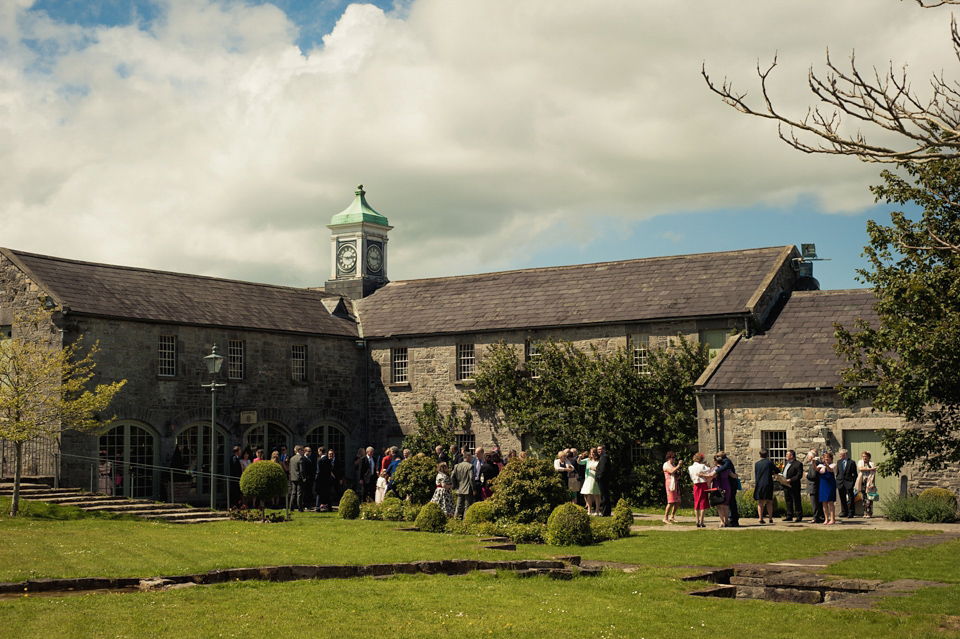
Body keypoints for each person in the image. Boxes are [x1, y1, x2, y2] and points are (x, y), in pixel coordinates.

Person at [753, 448, 778, 524]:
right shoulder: (769, 463)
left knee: (760, 501)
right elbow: (777, 470)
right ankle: (770, 518)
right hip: (768, 483)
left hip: (759, 483)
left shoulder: (757, 464)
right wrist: (772, 472)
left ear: (760, 455)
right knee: (769, 501)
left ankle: (760, 518)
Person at [688, 452, 713, 528]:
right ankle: (701, 521)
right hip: (703, 484)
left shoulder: (690, 467)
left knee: (696, 502)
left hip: (695, 484)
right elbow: (709, 470)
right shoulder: (702, 466)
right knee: (703, 502)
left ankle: (697, 520)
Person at [780, 449, 804, 522]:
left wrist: (791, 480)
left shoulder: (798, 464)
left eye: (787, 454)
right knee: (788, 500)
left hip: (794, 485)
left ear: (792, 456)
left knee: (796, 500)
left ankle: (799, 515)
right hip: (786, 485)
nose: (786, 456)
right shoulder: (786, 463)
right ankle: (789, 515)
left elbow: (799, 475)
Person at [717, 452, 740, 527]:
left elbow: (724, 468)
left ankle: (734, 520)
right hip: (729, 484)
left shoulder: (727, 461)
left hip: (731, 485)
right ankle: (732, 519)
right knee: (730, 502)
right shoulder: (726, 461)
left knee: (731, 502)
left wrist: (716, 471)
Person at [451, 451, 475, 519]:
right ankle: (466, 522)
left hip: (459, 488)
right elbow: (471, 478)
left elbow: (452, 477)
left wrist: (455, 485)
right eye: (471, 457)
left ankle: (455, 521)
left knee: (459, 506)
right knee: (467, 507)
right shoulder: (470, 466)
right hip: (468, 489)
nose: (472, 458)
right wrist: (474, 489)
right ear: (467, 457)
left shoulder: (457, 466)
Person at [578, 448, 601, 516]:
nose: (592, 454)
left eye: (593, 453)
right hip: (589, 478)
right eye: (591, 453)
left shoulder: (599, 460)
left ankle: (597, 510)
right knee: (588, 494)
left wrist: (595, 469)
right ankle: (589, 510)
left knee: (597, 494)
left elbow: (601, 468)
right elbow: (579, 462)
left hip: (596, 478)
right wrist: (579, 457)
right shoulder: (588, 460)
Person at [805, 449, 825, 524]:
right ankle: (820, 516)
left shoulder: (815, 463)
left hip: (814, 486)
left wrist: (807, 475)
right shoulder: (814, 463)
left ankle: (816, 517)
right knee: (817, 503)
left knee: (815, 503)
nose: (807, 457)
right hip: (815, 486)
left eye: (808, 456)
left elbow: (813, 476)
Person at [836, 448, 858, 518]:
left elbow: (855, 474)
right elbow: (838, 472)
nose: (840, 456)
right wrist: (838, 479)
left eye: (841, 454)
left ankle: (851, 512)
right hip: (840, 482)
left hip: (849, 482)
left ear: (845, 455)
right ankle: (844, 511)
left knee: (850, 497)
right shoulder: (839, 462)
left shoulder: (851, 462)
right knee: (842, 497)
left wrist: (853, 482)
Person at [818, 451, 838, 525]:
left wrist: (825, 464)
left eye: (828, 457)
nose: (826, 458)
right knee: (824, 502)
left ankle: (832, 519)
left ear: (831, 458)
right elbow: (816, 469)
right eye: (825, 457)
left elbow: (830, 469)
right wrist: (813, 462)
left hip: (830, 485)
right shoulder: (821, 466)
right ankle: (826, 519)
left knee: (830, 502)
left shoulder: (833, 465)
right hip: (823, 484)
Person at [662, 451, 682, 524]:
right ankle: (665, 517)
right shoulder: (666, 465)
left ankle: (672, 516)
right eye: (672, 458)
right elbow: (671, 471)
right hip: (670, 484)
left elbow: (675, 472)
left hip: (675, 484)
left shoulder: (673, 465)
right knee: (670, 502)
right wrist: (678, 466)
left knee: (677, 501)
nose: (674, 459)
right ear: (669, 458)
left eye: (674, 458)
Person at [856, 450, 877, 518]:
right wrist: (870, 469)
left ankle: (869, 513)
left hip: (869, 482)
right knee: (863, 497)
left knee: (869, 497)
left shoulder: (872, 464)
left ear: (869, 457)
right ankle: (865, 512)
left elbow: (873, 473)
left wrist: (872, 483)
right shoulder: (860, 462)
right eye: (863, 456)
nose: (864, 458)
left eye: (866, 456)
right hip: (862, 481)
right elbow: (860, 469)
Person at [712, 453, 731, 527]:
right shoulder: (727, 469)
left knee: (720, 505)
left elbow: (713, 476)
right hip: (727, 486)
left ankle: (722, 521)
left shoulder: (716, 469)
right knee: (725, 505)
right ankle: (726, 521)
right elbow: (733, 475)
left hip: (718, 486)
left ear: (716, 462)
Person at [288, 445, 306, 511]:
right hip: (299, 478)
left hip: (293, 477)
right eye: (302, 450)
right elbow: (301, 470)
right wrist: (304, 477)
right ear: (299, 450)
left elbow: (290, 469)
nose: (303, 452)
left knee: (293, 493)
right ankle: (300, 508)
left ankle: (291, 507)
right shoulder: (300, 458)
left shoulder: (292, 458)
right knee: (299, 493)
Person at [595, 445, 611, 516]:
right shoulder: (602, 457)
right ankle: (606, 511)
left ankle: (605, 512)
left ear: (604, 449)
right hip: (602, 478)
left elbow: (603, 468)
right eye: (598, 449)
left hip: (603, 479)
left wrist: (599, 476)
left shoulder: (604, 457)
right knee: (604, 495)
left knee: (604, 496)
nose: (598, 451)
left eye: (600, 449)